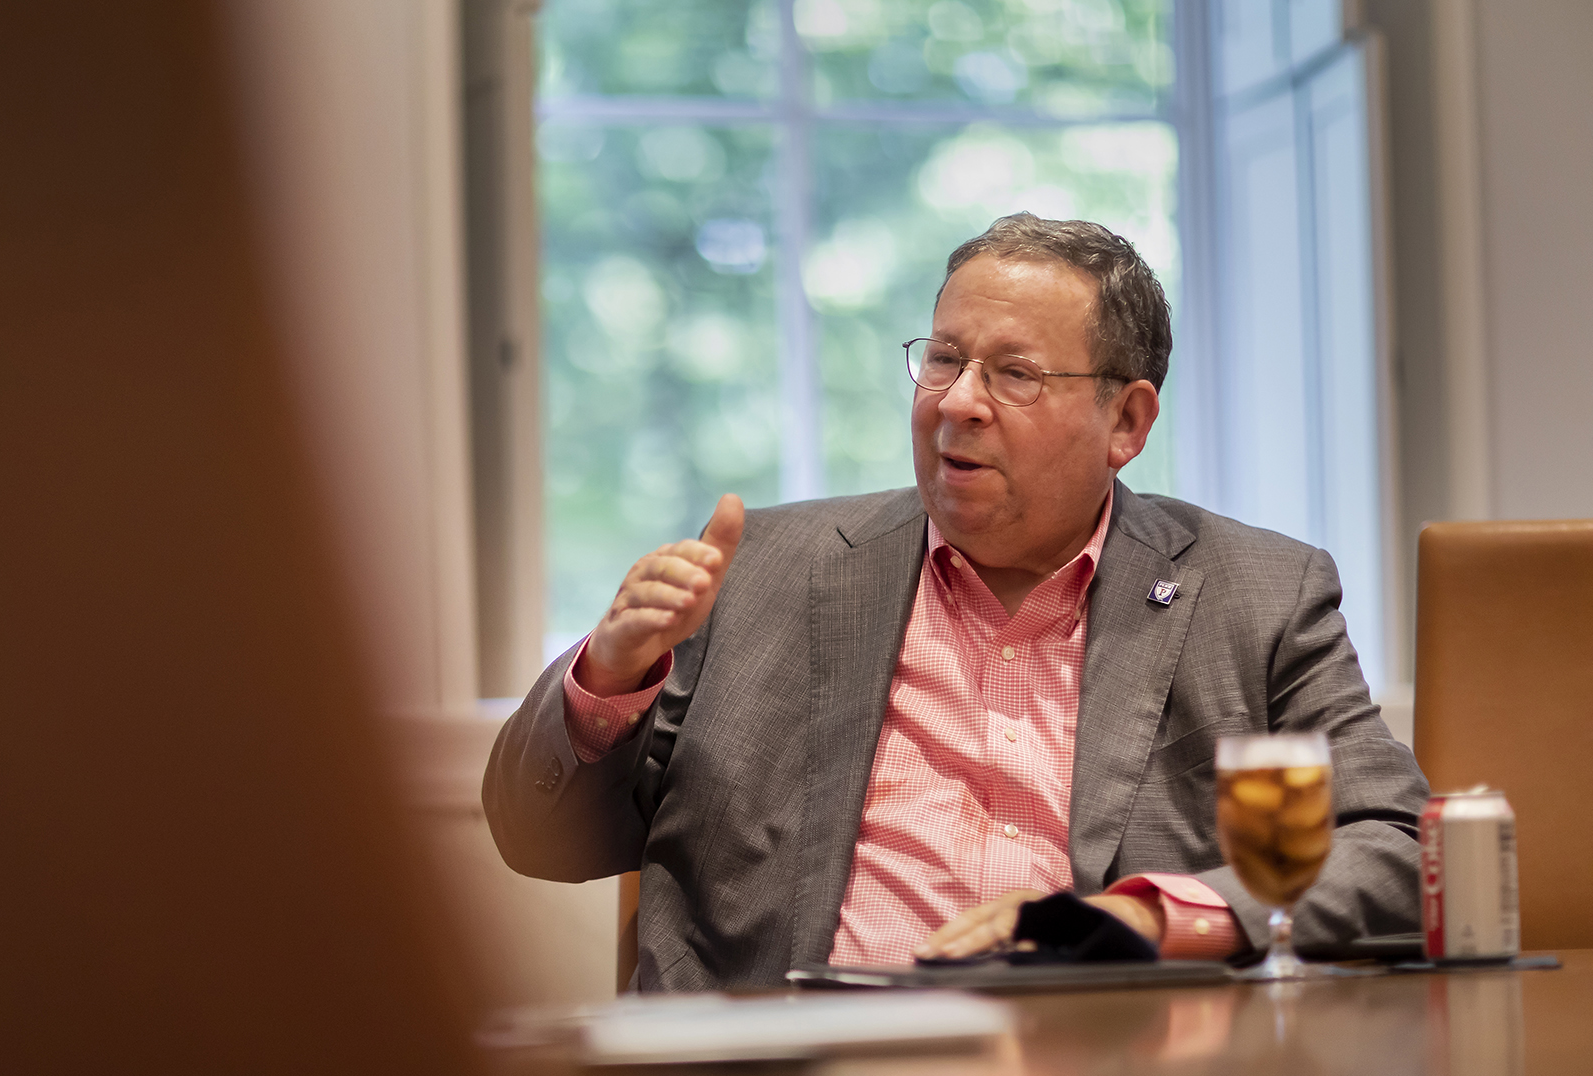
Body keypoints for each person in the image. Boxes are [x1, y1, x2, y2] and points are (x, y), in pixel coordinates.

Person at [484, 214, 1425, 991]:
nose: (959, 402)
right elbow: (540, 837)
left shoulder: (1255, 593)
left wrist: (1147, 914)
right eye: (943, 359)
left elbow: (1393, 848)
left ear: (1127, 422)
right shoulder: (765, 569)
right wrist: (609, 676)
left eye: (1015, 375)